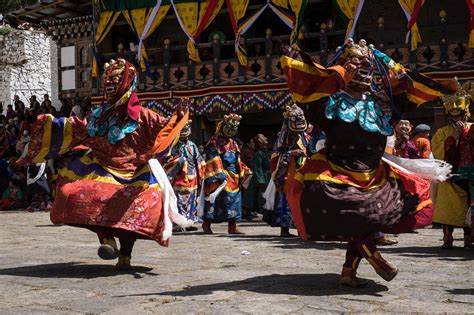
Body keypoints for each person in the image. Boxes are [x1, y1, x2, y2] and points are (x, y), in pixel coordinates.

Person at [280, 39, 454, 287]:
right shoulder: (330, 104)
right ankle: (374, 257)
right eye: (354, 63)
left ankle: (349, 271)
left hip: (375, 176)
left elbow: (405, 86)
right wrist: (337, 73)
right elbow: (305, 94)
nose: (361, 69)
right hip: (337, 176)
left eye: (366, 65)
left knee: (374, 218)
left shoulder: (383, 106)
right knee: (360, 217)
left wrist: (386, 63)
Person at [18, 58, 192, 269]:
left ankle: (125, 255)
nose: (109, 84)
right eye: (107, 79)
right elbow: (80, 131)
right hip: (100, 166)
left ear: (128, 81)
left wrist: (179, 118)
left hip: (134, 170)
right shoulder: (99, 115)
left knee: (138, 203)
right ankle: (106, 239)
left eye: (115, 79)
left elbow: (165, 133)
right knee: (75, 193)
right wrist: (52, 126)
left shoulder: (144, 116)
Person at [431, 79, 472, 248]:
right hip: (449, 174)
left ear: (466, 113)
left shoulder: (472, 128)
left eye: (460, 114)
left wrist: (465, 136)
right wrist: (453, 139)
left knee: (469, 205)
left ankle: (469, 237)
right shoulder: (442, 132)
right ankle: (447, 236)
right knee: (448, 204)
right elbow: (437, 152)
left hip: (470, 173)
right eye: (453, 116)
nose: (457, 118)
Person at [200, 113, 251, 234]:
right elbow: (212, 157)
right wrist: (220, 173)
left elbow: (237, 158)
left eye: (234, 129)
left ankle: (232, 226)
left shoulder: (234, 143)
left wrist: (243, 169)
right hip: (220, 175)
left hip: (234, 176)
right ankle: (206, 224)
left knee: (234, 201)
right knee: (215, 200)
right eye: (229, 128)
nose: (231, 131)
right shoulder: (214, 142)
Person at [264, 105, 307, 237]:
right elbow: (275, 155)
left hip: (301, 170)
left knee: (301, 200)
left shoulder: (303, 136)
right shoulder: (283, 138)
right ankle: (285, 228)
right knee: (286, 199)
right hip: (287, 172)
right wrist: (291, 153)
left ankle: (301, 229)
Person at [163, 120, 205, 232]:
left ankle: (188, 222)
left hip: (192, 176)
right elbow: (168, 161)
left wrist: (201, 174)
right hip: (179, 176)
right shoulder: (173, 145)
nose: (185, 131)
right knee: (178, 200)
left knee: (191, 200)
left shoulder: (192, 145)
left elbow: (199, 160)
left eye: (186, 128)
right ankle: (177, 223)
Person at [243, 134, 270, 221]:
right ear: (259, 143)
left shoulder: (263, 152)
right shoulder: (258, 154)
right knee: (257, 196)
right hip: (260, 178)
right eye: (263, 137)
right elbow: (257, 167)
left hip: (264, 176)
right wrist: (260, 180)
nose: (266, 138)